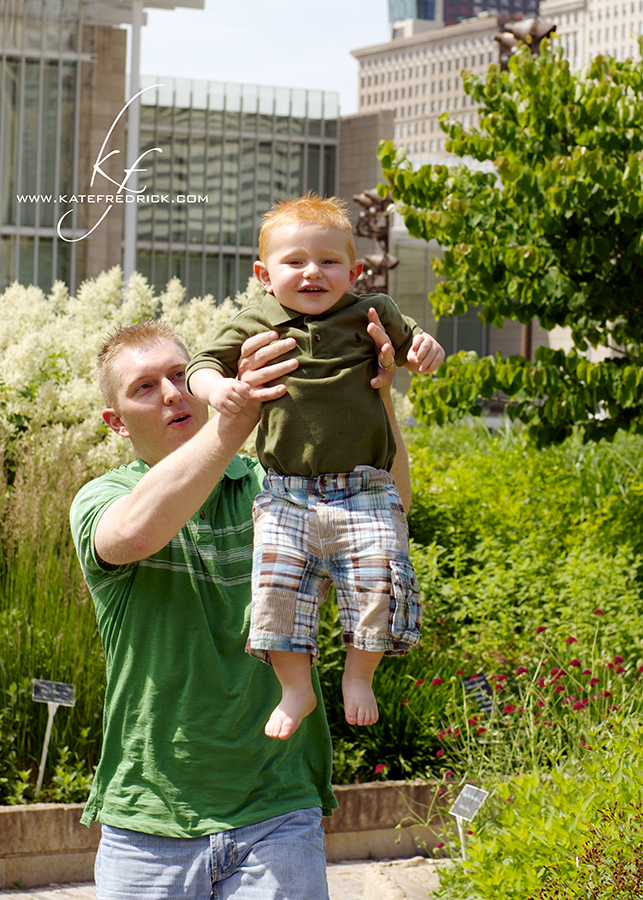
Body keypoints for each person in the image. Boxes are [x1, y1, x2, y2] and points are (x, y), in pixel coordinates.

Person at [70, 313, 424, 900]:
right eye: (144, 387)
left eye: (182, 375)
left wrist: (378, 396)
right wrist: (235, 423)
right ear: (116, 423)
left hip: (277, 809)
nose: (173, 394)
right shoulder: (103, 498)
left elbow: (385, 512)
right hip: (147, 822)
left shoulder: (275, 484)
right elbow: (132, 536)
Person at [187, 193, 444, 742]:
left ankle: (359, 675)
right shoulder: (256, 321)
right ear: (264, 274)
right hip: (287, 492)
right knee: (277, 589)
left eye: (329, 262)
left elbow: (415, 341)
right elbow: (201, 365)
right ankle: (295, 688)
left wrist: (425, 351)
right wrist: (220, 389)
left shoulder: (370, 312)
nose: (312, 273)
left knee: (380, 578)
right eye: (295, 261)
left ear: (353, 271)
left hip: (365, 486)